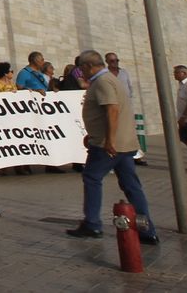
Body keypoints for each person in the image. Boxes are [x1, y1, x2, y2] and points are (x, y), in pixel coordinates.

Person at [67, 50, 158, 245]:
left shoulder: (102, 82)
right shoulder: (110, 79)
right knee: (131, 185)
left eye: (81, 69)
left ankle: (92, 223)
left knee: (92, 177)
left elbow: (112, 110)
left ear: (88, 66)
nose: (81, 73)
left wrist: (109, 140)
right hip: (123, 143)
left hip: (109, 145)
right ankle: (146, 229)